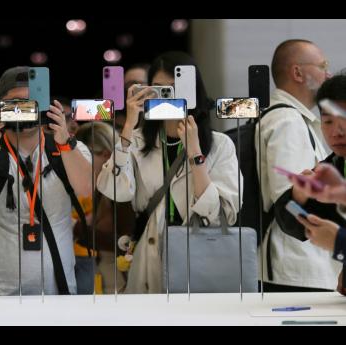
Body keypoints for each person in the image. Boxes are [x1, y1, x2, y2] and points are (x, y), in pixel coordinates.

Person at [97, 51, 241, 294]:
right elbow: (115, 191)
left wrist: (195, 153)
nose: (168, 97)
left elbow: (221, 215)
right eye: (159, 89)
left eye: (175, 88)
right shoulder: (136, 140)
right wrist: (129, 127)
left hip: (200, 253)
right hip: (149, 255)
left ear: (194, 90)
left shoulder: (220, 145)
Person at [0, 66, 92, 296]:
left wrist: (63, 141)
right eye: (15, 103)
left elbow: (87, 189)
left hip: (58, 293)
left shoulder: (70, 148)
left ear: (46, 106)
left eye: (31, 103)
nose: (24, 110)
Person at [255, 39, 341, 292]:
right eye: (323, 65)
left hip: (298, 266)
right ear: (297, 73)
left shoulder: (293, 119)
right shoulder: (288, 122)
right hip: (295, 269)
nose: (328, 74)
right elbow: (288, 203)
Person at [275, 74, 346, 295]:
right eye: (328, 122)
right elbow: (290, 220)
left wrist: (339, 243)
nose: (337, 131)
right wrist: (298, 197)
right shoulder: (331, 167)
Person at [74, 122, 136, 293]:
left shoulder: (120, 190)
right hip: (105, 279)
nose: (79, 164)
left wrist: (76, 229)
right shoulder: (101, 186)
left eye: (85, 156)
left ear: (106, 154)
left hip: (119, 283)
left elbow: (125, 244)